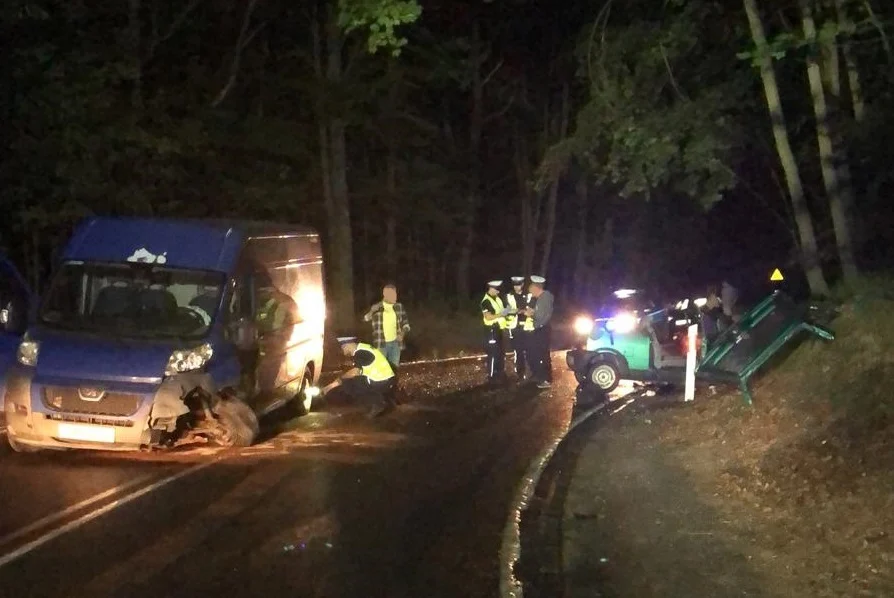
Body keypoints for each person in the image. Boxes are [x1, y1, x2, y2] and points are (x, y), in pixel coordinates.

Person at [320, 335, 396, 418]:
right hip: (386, 380)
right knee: (355, 382)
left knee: (351, 385)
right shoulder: (364, 348)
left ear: (349, 344)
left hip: (382, 381)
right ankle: (382, 400)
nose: (343, 351)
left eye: (343, 347)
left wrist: (334, 384)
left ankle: (378, 403)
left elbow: (355, 372)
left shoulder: (360, 352)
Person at [362, 283, 411, 368]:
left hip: (396, 344)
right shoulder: (376, 307)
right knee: (382, 369)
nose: (395, 296)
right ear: (385, 295)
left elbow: (406, 324)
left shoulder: (399, 307)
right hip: (381, 344)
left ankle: (392, 381)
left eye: (395, 294)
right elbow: (364, 319)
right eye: (392, 294)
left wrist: (402, 333)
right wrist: (371, 311)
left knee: (394, 369)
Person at [524, 275, 554, 389]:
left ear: (536, 287)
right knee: (538, 353)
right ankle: (539, 375)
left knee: (542, 354)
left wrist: (531, 313)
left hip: (542, 329)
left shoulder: (544, 298)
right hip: (541, 328)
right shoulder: (542, 298)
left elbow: (541, 315)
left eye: (531, 288)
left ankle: (545, 379)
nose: (530, 290)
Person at [481, 279, 511, 385]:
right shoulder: (486, 301)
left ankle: (500, 373)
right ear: (491, 288)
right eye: (497, 289)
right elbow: (488, 317)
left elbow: (501, 311)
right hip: (491, 330)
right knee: (493, 354)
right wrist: (501, 314)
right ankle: (491, 376)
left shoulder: (497, 299)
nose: (498, 292)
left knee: (501, 352)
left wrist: (507, 311)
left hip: (499, 329)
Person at [504, 276, 530, 380]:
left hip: (527, 326)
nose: (516, 287)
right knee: (518, 350)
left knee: (528, 349)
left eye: (518, 285)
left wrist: (525, 311)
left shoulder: (528, 295)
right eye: (515, 285)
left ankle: (531, 371)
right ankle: (520, 372)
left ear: (522, 285)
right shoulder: (509, 296)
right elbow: (505, 310)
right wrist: (517, 311)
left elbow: (532, 308)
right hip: (515, 326)